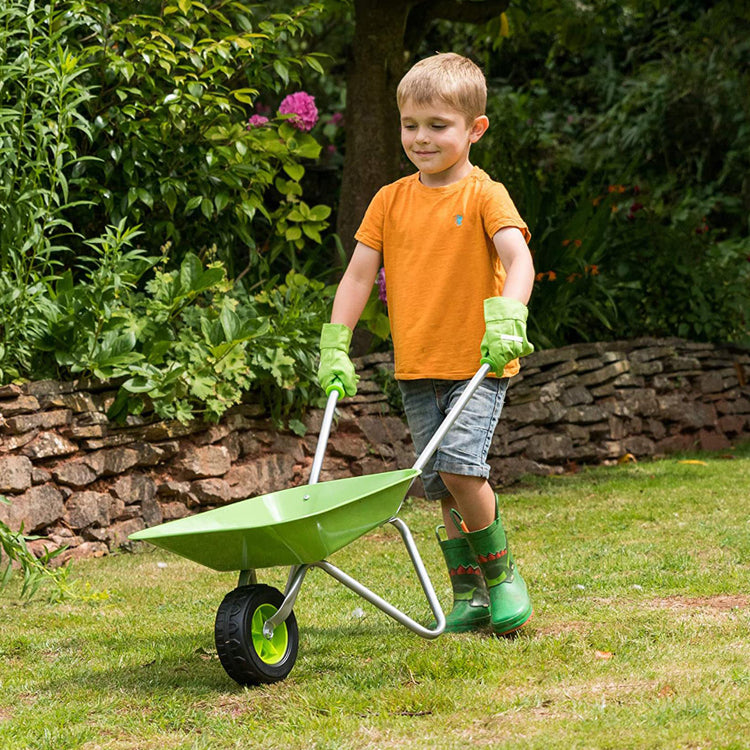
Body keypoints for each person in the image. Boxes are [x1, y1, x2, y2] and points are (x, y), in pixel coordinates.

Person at [317, 52, 535, 636]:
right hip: (417, 365)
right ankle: (468, 595)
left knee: (464, 469)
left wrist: (509, 317)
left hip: (478, 361)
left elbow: (519, 257)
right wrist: (336, 343)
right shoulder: (390, 200)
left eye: (438, 125)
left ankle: (502, 574)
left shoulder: (485, 195)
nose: (421, 137)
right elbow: (359, 274)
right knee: (440, 481)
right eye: (410, 125)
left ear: (474, 129)